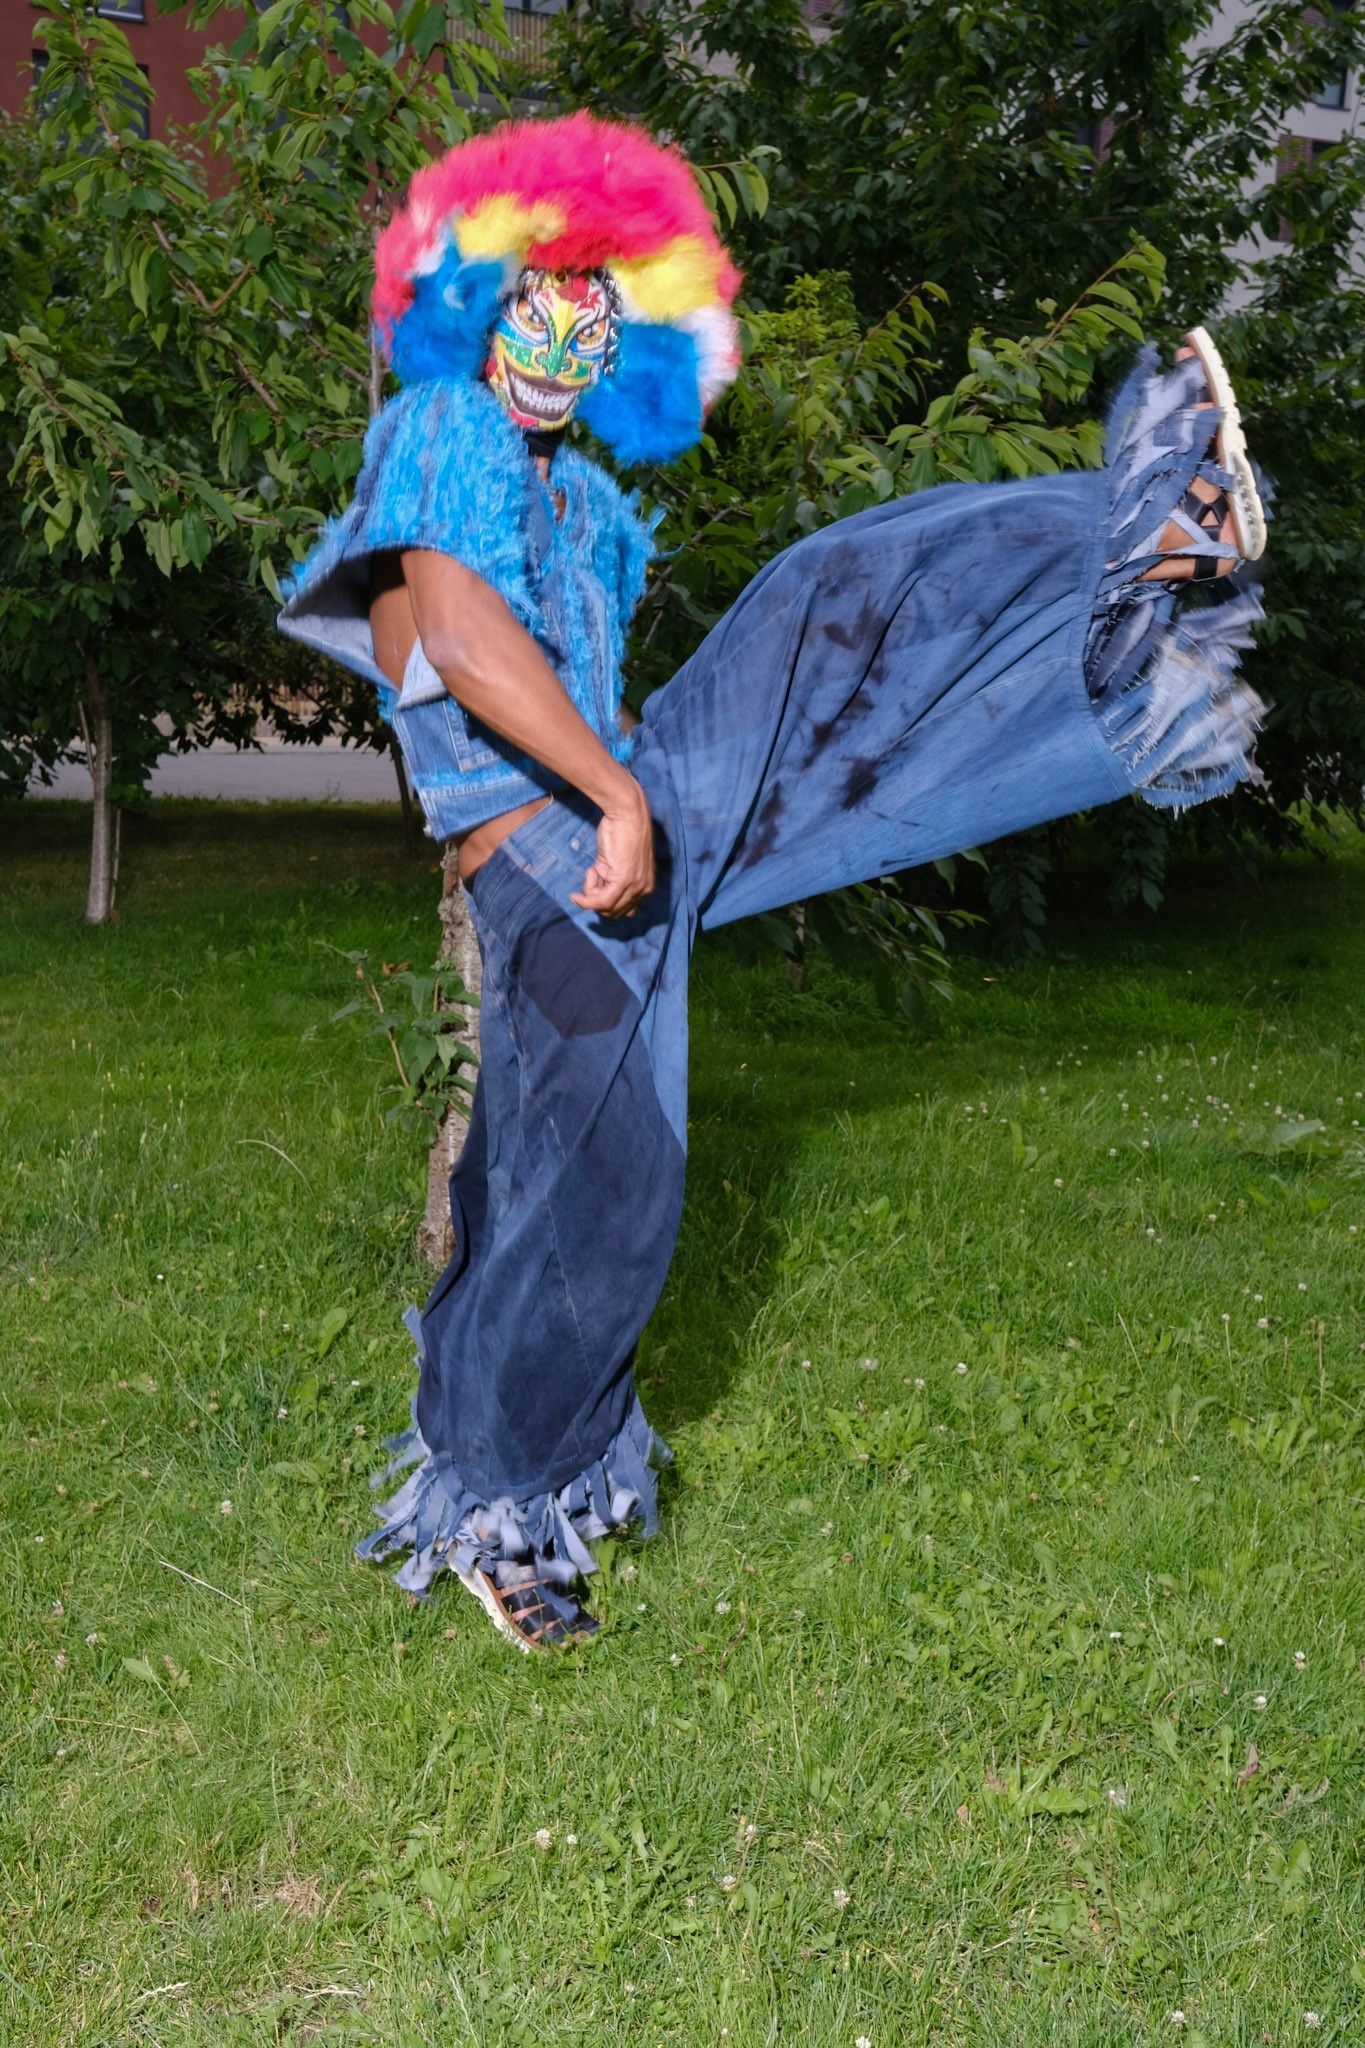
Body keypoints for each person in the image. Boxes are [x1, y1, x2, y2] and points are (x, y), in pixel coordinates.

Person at [278, 111, 1267, 1652]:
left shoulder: (560, 492)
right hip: (557, 853)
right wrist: (612, 795)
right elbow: (466, 647)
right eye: (540, 303)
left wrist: (624, 792)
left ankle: (1137, 541)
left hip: (611, 826)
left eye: (595, 324)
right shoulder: (443, 432)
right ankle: (494, 1500)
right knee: (596, 1196)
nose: (566, 340)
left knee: (829, 639)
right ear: (477, 309)